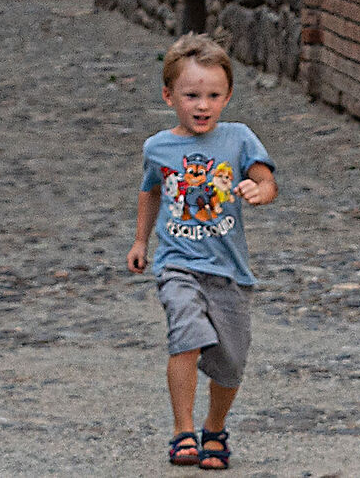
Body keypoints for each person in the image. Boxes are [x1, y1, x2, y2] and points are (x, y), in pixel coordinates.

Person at [125, 33, 277, 471]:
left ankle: (214, 427)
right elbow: (149, 191)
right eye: (192, 95)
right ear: (169, 95)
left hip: (229, 270)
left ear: (227, 96)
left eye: (213, 95)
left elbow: (268, 182)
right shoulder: (158, 147)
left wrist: (258, 191)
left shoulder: (239, 139)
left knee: (230, 363)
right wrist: (140, 241)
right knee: (186, 337)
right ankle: (182, 432)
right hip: (178, 264)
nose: (202, 105)